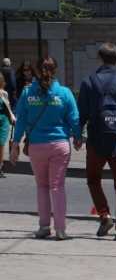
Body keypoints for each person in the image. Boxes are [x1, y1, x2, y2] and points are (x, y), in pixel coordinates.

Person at [10, 56, 82, 241]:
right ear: (55, 71)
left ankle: (44, 226)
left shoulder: (27, 93)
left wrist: (15, 145)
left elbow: (21, 121)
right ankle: (60, 229)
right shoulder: (64, 93)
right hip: (60, 144)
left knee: (42, 186)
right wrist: (78, 138)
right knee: (58, 186)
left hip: (37, 145)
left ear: (37, 70)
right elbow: (74, 118)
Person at [76, 42, 116, 242]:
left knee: (93, 179)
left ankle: (104, 216)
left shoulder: (89, 82)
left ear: (100, 59)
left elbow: (82, 113)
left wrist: (78, 136)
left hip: (96, 141)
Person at [0, 74, 14, 178]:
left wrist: (12, 118)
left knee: (1, 142)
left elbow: (8, 106)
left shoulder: (3, 93)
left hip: (3, 119)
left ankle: (0, 166)